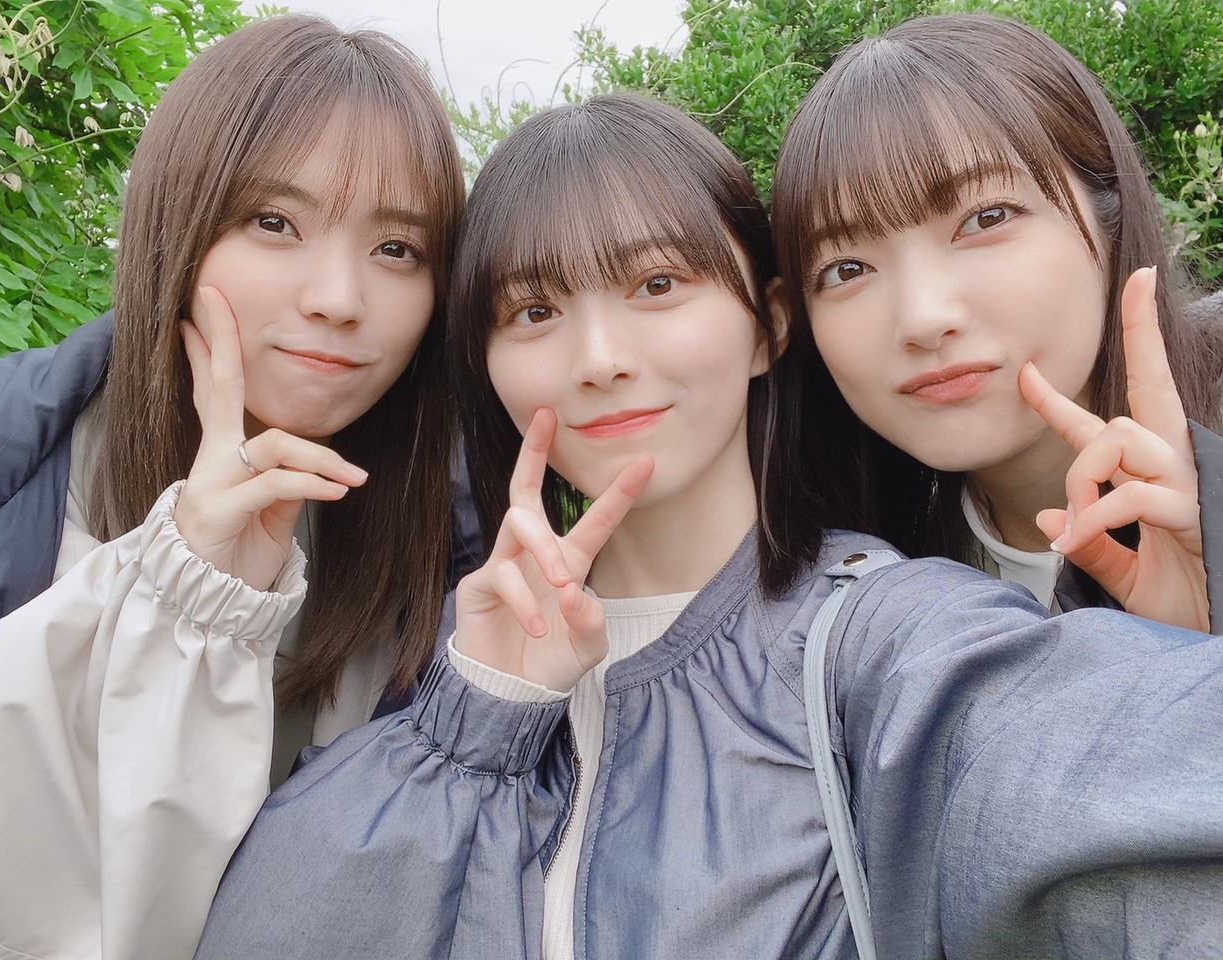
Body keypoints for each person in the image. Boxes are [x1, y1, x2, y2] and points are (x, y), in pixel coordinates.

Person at [194, 93, 1223, 959]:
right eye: (535, 312)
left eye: (656, 285)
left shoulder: (882, 638)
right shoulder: (441, 659)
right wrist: (476, 721)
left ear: (769, 325)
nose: (599, 358)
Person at [0, 14, 471, 960]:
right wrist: (181, 593)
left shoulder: (457, 552)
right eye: (274, 222)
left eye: (398, 249)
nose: (337, 298)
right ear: (175, 225)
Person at [770, 13, 1223, 631]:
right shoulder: (840, 604)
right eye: (846, 269)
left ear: (1109, 217)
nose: (924, 318)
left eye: (986, 218)